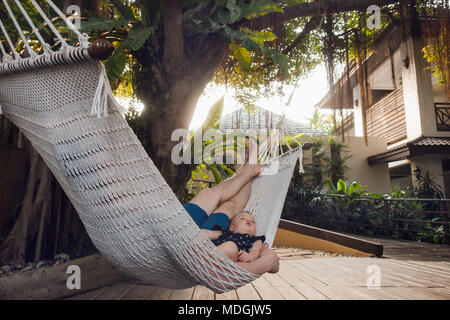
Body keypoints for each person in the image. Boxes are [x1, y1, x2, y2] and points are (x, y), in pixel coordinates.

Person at [183, 139, 280, 275]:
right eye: (243, 219)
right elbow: (209, 234)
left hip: (195, 244)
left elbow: (258, 254)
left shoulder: (255, 240)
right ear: (231, 226)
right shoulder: (225, 232)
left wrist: (251, 257)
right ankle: (249, 169)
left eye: (252, 221)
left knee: (227, 205)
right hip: (188, 238)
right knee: (228, 206)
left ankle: (249, 169)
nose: (249, 221)